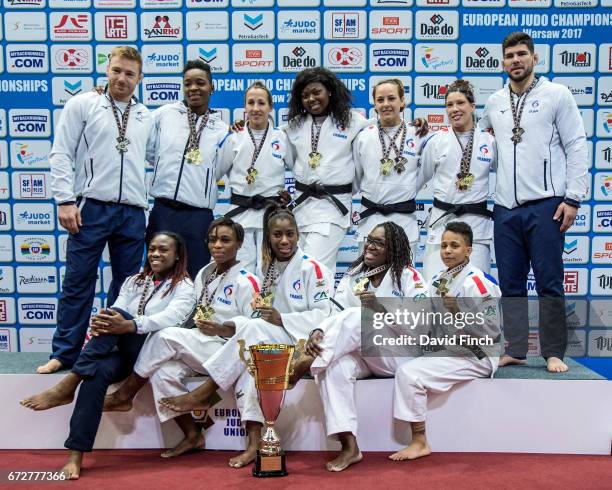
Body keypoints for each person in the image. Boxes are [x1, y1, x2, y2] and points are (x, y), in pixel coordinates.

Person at [158, 205, 334, 469]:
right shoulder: (268, 270)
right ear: (269, 238)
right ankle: (254, 446)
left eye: (289, 234)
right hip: (272, 338)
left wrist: (281, 318)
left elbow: (323, 315)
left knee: (250, 330)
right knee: (250, 351)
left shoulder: (314, 269)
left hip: (300, 344)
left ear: (299, 235)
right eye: (277, 235)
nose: (283, 240)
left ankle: (207, 393)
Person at [20, 232, 195, 479]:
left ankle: (67, 384)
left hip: (154, 351)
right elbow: (118, 310)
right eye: (152, 248)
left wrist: (129, 325)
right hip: (123, 350)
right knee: (97, 373)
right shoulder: (135, 280)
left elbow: (169, 320)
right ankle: (75, 455)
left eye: (164, 249)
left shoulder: (185, 287)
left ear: (178, 255)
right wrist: (108, 321)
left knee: (119, 315)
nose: (156, 254)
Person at [102, 218, 260, 459]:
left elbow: (254, 330)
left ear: (239, 243)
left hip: (229, 351)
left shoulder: (248, 281)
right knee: (162, 371)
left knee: (165, 336)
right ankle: (192, 434)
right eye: (213, 240)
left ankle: (125, 394)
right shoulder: (205, 273)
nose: (217, 245)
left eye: (225, 240)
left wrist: (222, 328)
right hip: (201, 344)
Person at [479, 32, 589, 373]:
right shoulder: (495, 101)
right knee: (510, 282)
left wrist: (573, 198)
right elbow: (474, 139)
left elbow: (576, 145)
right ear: (502, 62)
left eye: (521, 54)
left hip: (546, 204)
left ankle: (553, 351)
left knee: (549, 280)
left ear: (534, 58)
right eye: (509, 55)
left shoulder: (557, 94)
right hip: (505, 208)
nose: (515, 60)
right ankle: (515, 348)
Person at [41, 46, 155, 374]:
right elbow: (61, 153)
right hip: (91, 208)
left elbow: (155, 157)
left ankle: (110, 351)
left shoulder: (146, 115)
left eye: (130, 73)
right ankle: (64, 353)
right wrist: (64, 200)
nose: (122, 78)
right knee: (79, 281)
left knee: (125, 287)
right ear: (107, 70)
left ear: (139, 78)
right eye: (117, 70)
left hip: (133, 212)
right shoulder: (83, 104)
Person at [291, 222, 427, 472]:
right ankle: (349, 445)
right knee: (335, 365)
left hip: (399, 354)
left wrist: (381, 309)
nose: (370, 246)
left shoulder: (409, 276)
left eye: (379, 243)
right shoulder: (355, 274)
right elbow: (334, 314)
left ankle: (306, 361)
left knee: (359, 316)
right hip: (364, 353)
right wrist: (319, 331)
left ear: (394, 249)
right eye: (369, 239)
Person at [390, 221, 501, 461]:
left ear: (469, 250)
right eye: (443, 246)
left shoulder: (479, 283)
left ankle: (419, 441)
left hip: (476, 353)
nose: (447, 251)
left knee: (409, 374)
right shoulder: (439, 280)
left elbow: (492, 332)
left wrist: (458, 312)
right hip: (448, 348)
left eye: (454, 246)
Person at [147, 60, 230, 279]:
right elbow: (144, 146)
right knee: (157, 276)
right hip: (163, 211)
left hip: (198, 216)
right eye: (188, 83)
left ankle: (194, 315)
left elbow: (220, 169)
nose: (193, 88)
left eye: (200, 83)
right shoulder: (165, 114)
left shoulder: (221, 130)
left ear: (212, 87)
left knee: (195, 277)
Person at [283, 67, 369, 274]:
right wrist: (242, 127)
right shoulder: (294, 125)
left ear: (329, 91)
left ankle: (319, 307)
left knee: (311, 269)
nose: (311, 99)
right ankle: (320, 307)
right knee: (312, 271)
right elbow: (271, 143)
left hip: (332, 208)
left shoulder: (352, 120)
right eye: (304, 96)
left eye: (316, 92)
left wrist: (416, 126)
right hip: (301, 208)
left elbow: (384, 130)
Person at [420, 79, 497, 281]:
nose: (454, 109)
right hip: (441, 225)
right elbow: (418, 178)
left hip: (476, 229)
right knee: (434, 290)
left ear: (472, 106)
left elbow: (508, 175)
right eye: (449, 105)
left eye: (460, 103)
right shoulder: (436, 141)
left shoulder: (489, 141)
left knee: (476, 291)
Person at [217, 81, 293, 277]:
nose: (256, 108)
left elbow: (298, 170)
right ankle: (241, 308)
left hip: (271, 216)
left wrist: (289, 197)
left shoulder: (281, 138)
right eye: (251, 103)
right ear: (245, 107)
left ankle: (268, 308)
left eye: (261, 103)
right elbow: (217, 172)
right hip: (240, 213)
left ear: (270, 107)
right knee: (240, 270)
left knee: (269, 271)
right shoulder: (234, 138)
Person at [353, 78, 428, 257]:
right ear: (374, 105)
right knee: (366, 281)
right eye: (380, 100)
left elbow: (426, 173)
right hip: (370, 223)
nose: (386, 104)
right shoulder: (363, 137)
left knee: (405, 281)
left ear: (403, 101)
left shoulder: (419, 134)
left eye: (391, 98)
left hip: (405, 225)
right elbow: (355, 178)